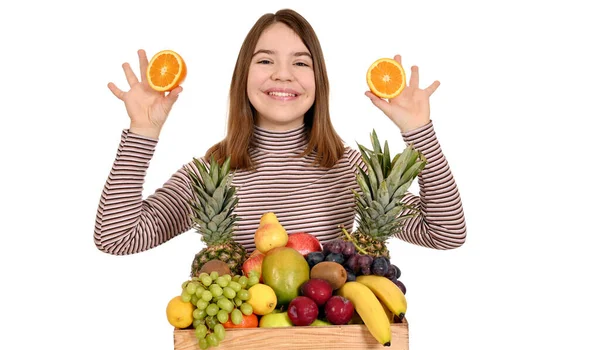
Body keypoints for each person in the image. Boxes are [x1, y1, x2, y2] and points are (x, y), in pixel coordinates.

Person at [94, 8, 466, 257]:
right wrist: (143, 131)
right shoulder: (212, 175)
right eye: (266, 60)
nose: (282, 75)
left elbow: (446, 234)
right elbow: (116, 238)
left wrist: (419, 131)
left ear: (318, 81)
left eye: (300, 62)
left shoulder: (349, 168)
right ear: (244, 77)